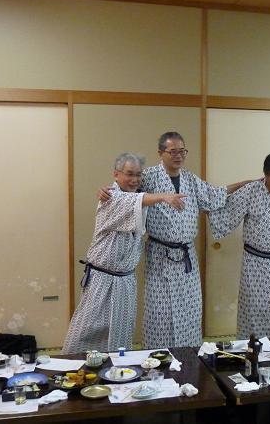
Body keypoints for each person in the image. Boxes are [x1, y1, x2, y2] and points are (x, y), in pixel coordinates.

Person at [100, 132, 250, 348]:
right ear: (161, 153)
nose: (178, 156)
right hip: (159, 256)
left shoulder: (190, 179)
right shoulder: (148, 177)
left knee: (189, 309)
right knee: (160, 312)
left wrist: (246, 184)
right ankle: (158, 356)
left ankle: (189, 356)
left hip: (187, 257)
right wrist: (106, 191)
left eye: (182, 151)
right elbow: (125, 192)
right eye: (173, 151)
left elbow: (215, 194)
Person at [62, 152, 186, 354]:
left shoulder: (139, 196)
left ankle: (118, 370)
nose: (134, 179)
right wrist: (164, 196)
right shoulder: (111, 197)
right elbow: (136, 200)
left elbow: (140, 198)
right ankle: (71, 366)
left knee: (120, 334)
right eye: (129, 174)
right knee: (86, 331)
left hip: (126, 280)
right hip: (102, 278)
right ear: (116, 174)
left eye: (138, 175)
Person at [209, 152, 270, 339]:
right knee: (252, 308)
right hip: (253, 262)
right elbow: (228, 212)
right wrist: (205, 207)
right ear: (265, 174)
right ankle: (251, 349)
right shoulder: (250, 191)